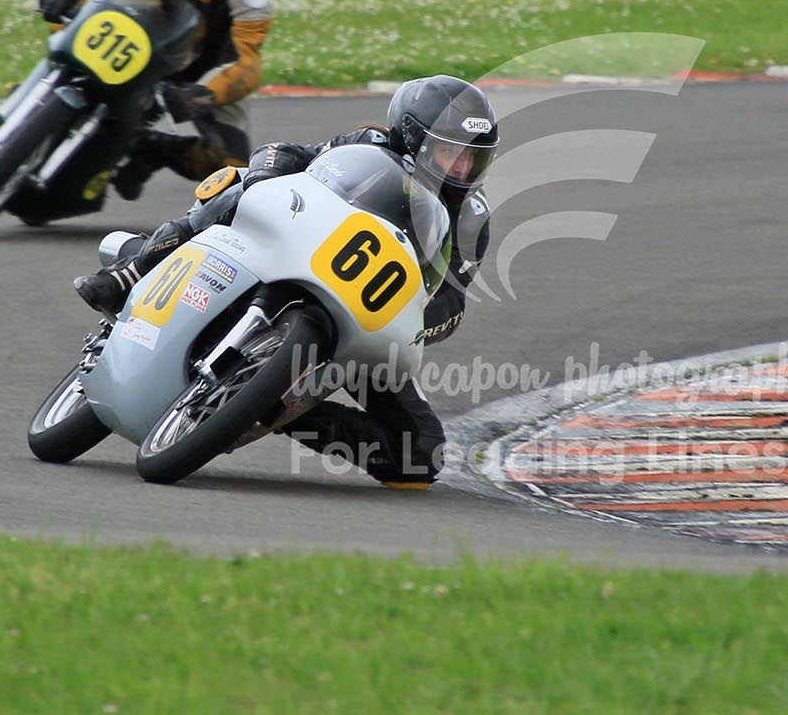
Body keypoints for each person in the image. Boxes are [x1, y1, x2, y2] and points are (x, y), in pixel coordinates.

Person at [73, 74, 499, 488]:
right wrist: (264, 180)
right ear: (412, 138)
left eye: (473, 158)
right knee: (235, 181)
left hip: (364, 314)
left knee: (421, 452)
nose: (462, 168)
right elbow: (283, 154)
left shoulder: (471, 220)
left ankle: (271, 408)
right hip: (288, 250)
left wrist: (414, 321)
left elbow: (452, 302)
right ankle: (133, 270)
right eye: (449, 152)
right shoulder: (366, 145)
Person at [37, 0, 275, 199]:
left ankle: (155, 150)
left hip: (207, 73)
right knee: (67, 19)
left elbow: (246, 63)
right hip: (149, 42)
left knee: (233, 167)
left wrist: (202, 95)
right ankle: (51, 80)